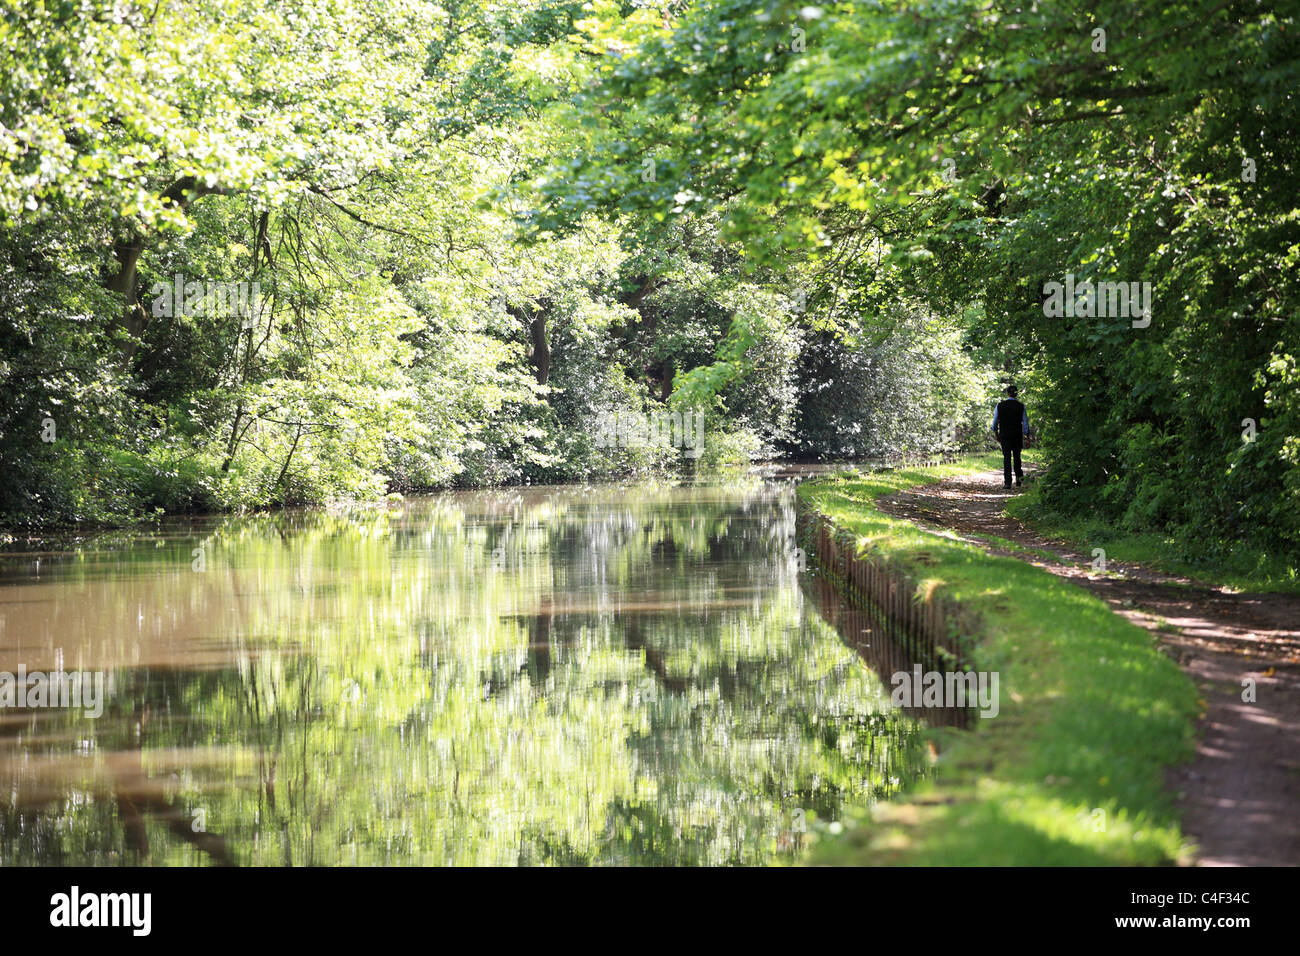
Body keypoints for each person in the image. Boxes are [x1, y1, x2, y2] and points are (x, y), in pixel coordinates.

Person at [991, 385, 1029, 488]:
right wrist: (1027, 435)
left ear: (1007, 393)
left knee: (1006, 458)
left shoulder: (1000, 405)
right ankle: (1019, 480)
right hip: (1017, 435)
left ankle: (1008, 482)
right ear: (1016, 394)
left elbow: (995, 422)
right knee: (1017, 457)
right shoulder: (1021, 406)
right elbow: (1025, 422)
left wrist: (996, 434)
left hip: (1005, 435)